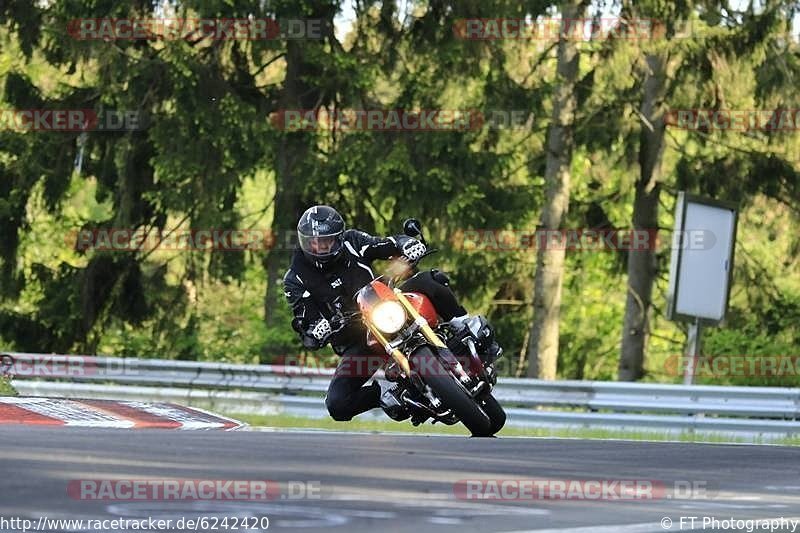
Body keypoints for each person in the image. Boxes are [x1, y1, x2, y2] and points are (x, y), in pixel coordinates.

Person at [283, 205, 499, 422]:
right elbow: (305, 321)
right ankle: (392, 391)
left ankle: (463, 326)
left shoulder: (352, 241)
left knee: (430, 279)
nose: (320, 247)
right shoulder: (295, 279)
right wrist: (316, 329)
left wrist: (407, 244)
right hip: (359, 337)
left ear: (338, 238)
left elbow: (385, 244)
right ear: (304, 241)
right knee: (338, 404)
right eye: (313, 242)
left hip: (388, 305)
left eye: (326, 241)